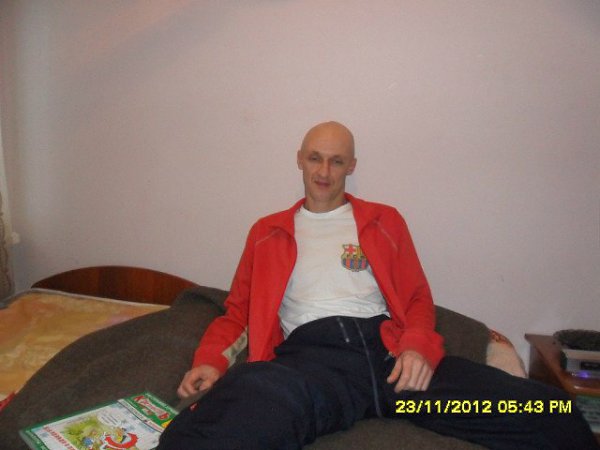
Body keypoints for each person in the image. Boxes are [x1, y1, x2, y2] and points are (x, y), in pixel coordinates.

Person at [158, 122, 598, 450]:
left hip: (394, 367)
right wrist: (210, 361)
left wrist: (417, 348)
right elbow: (238, 311)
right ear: (299, 159)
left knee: (549, 410)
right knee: (236, 418)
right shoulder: (267, 232)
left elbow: (416, 297)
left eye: (336, 160)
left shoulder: (384, 220)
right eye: (315, 158)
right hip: (313, 368)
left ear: (351, 166)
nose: (324, 171)